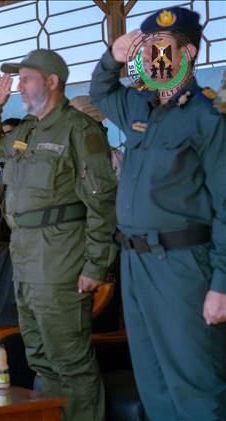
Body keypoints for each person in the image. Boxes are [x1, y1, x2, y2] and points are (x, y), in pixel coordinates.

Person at [90, 7, 226, 420]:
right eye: (147, 49)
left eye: (163, 48)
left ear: (189, 54)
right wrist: (113, 56)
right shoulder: (139, 106)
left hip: (181, 264)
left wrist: (221, 284)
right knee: (153, 382)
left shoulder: (207, 117)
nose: (152, 57)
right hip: (135, 263)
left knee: (194, 383)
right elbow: (100, 91)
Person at [0, 49, 117, 421]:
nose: (19, 87)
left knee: (69, 358)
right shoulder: (27, 129)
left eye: (26, 79)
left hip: (61, 258)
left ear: (52, 81)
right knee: (40, 355)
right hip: (25, 256)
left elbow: (102, 202)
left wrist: (95, 265)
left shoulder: (79, 129)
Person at [0, 118, 20, 242]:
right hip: (3, 226)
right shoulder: (6, 163)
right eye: (1, 135)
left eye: (8, 134)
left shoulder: (29, 162)